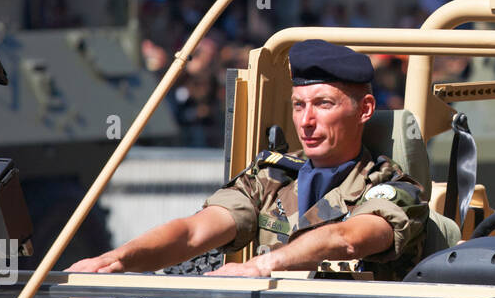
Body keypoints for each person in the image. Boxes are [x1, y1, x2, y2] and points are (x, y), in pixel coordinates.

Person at [70, 40, 429, 279]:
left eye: (323, 104)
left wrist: (264, 265)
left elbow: (347, 238)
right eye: (298, 105)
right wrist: (116, 260)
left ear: (364, 110)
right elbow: (194, 232)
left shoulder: (391, 188)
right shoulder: (272, 176)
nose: (306, 120)